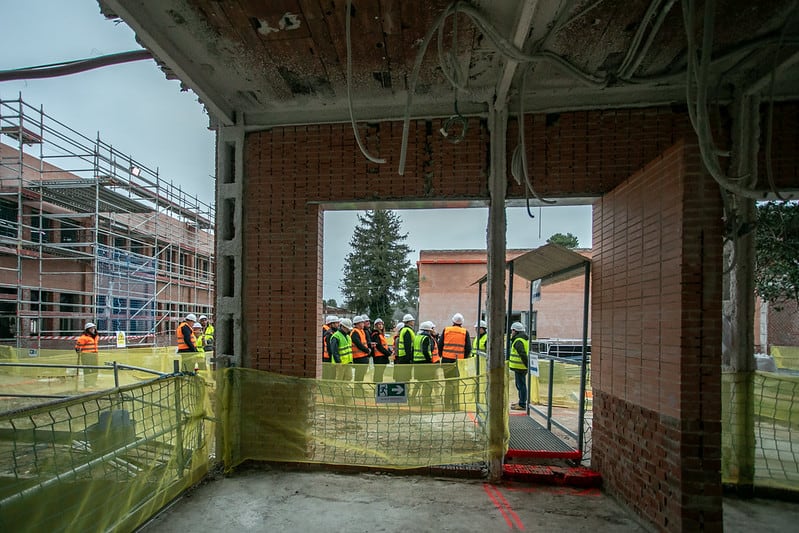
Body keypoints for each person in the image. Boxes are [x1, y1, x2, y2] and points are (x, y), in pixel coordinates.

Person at [439, 313, 472, 410]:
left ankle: (447, 405)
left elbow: (440, 345)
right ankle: (455, 404)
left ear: (453, 321)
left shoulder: (446, 330)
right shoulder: (465, 332)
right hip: (459, 361)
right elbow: (468, 348)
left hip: (446, 360)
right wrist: (463, 358)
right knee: (456, 383)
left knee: (448, 382)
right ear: (462, 323)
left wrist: (442, 356)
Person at [412, 321, 439, 401]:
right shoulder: (426, 338)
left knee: (419, 381)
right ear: (428, 330)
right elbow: (426, 351)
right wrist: (429, 360)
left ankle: (413, 397)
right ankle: (426, 398)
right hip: (424, 362)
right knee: (428, 382)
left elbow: (413, 349)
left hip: (417, 362)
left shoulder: (417, 337)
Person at [508, 322, 530, 411]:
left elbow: (522, 354)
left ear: (515, 331)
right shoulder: (522, 339)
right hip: (520, 367)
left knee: (521, 385)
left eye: (512, 331)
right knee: (520, 385)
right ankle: (521, 401)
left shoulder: (518, 341)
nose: (511, 332)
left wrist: (526, 365)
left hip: (521, 367)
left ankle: (522, 404)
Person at [75, 321, 99, 386]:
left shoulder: (95, 337)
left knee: (95, 370)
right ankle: (87, 383)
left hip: (94, 356)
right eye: (91, 328)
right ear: (87, 330)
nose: (93, 330)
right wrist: (79, 352)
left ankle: (93, 383)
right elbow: (77, 347)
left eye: (93, 328)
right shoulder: (83, 338)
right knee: (87, 370)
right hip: (86, 356)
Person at [393, 314, 416, 383]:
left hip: (403, 356)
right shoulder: (407, 331)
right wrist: (409, 358)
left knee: (404, 375)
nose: (413, 322)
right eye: (412, 321)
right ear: (408, 322)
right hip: (405, 357)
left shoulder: (404, 330)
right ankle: (405, 390)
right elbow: (407, 346)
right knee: (405, 376)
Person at [350, 315, 372, 381]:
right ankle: (357, 390)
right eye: (362, 323)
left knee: (361, 375)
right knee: (359, 375)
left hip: (363, 356)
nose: (363, 324)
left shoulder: (361, 331)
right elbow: (359, 344)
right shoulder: (355, 332)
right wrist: (367, 350)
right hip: (358, 357)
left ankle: (360, 389)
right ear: (357, 324)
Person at [371, 318, 392, 382]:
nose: (380, 326)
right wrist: (388, 353)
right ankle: (377, 386)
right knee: (378, 373)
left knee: (380, 373)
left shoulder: (381, 335)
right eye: (379, 324)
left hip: (382, 356)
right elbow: (379, 346)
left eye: (381, 324)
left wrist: (389, 351)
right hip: (379, 357)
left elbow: (384, 345)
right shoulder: (376, 334)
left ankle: (379, 385)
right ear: (376, 326)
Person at [322, 315, 339, 379]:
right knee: (329, 376)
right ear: (331, 324)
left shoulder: (331, 332)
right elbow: (330, 347)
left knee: (331, 376)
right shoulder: (329, 333)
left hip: (328, 357)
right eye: (336, 323)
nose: (338, 324)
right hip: (328, 358)